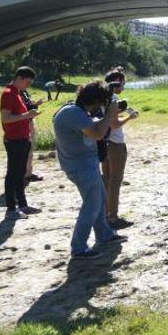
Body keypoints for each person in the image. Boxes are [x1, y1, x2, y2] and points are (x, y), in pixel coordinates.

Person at [52, 81, 126, 259]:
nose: (100, 107)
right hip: (80, 166)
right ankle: (78, 247)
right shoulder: (73, 113)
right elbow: (98, 133)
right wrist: (110, 114)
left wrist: (108, 114)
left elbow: (94, 127)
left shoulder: (76, 111)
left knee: (100, 199)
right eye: (100, 103)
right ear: (94, 101)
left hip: (86, 163)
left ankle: (105, 235)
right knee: (92, 205)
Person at [0, 66, 42, 219]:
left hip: (23, 139)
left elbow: (19, 115)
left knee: (20, 174)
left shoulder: (17, 93)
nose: (28, 86)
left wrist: (28, 114)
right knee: (12, 174)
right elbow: (5, 118)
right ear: (20, 78)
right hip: (14, 140)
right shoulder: (8, 94)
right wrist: (27, 115)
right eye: (28, 83)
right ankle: (11, 210)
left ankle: (23, 206)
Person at [102, 69, 139, 229]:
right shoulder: (114, 98)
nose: (123, 86)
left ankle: (104, 214)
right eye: (123, 83)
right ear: (117, 82)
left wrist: (122, 112)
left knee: (106, 179)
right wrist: (130, 117)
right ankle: (113, 217)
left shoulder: (103, 97)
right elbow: (115, 124)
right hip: (115, 144)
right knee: (115, 180)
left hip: (104, 143)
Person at [20, 87, 46, 184]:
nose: (29, 84)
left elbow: (28, 105)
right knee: (27, 150)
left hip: (29, 121)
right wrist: (36, 104)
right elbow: (25, 108)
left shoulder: (24, 91)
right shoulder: (18, 92)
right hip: (25, 123)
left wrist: (35, 105)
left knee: (30, 149)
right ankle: (25, 175)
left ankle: (28, 173)